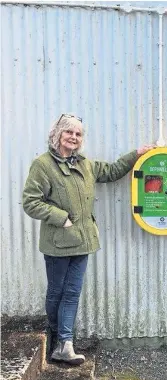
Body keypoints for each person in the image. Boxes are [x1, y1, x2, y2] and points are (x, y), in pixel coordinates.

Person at [23, 113, 154, 365]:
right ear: (57, 135)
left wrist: (137, 153)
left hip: (83, 241)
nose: (73, 137)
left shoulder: (85, 164)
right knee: (56, 292)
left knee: (72, 293)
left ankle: (65, 343)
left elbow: (113, 170)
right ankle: (54, 336)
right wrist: (60, 217)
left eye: (78, 134)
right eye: (68, 132)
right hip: (57, 242)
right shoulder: (43, 165)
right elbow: (31, 201)